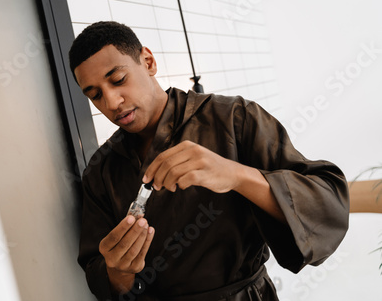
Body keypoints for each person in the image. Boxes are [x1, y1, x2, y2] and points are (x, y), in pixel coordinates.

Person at [69, 21, 349, 301]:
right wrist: (118, 272)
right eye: (94, 95)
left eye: (118, 80)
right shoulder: (100, 171)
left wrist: (237, 175)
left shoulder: (233, 118)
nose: (111, 101)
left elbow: (329, 206)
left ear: (148, 61)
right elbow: (99, 274)